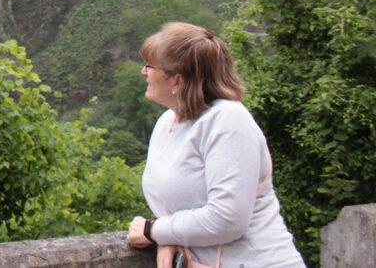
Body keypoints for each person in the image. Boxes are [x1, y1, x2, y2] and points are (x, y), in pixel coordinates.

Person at [126, 22, 304, 268]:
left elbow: (227, 218)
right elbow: (180, 205)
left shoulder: (229, 122)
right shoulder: (168, 121)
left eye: (149, 66)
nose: (143, 72)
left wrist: (154, 230)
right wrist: (166, 237)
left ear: (176, 81)